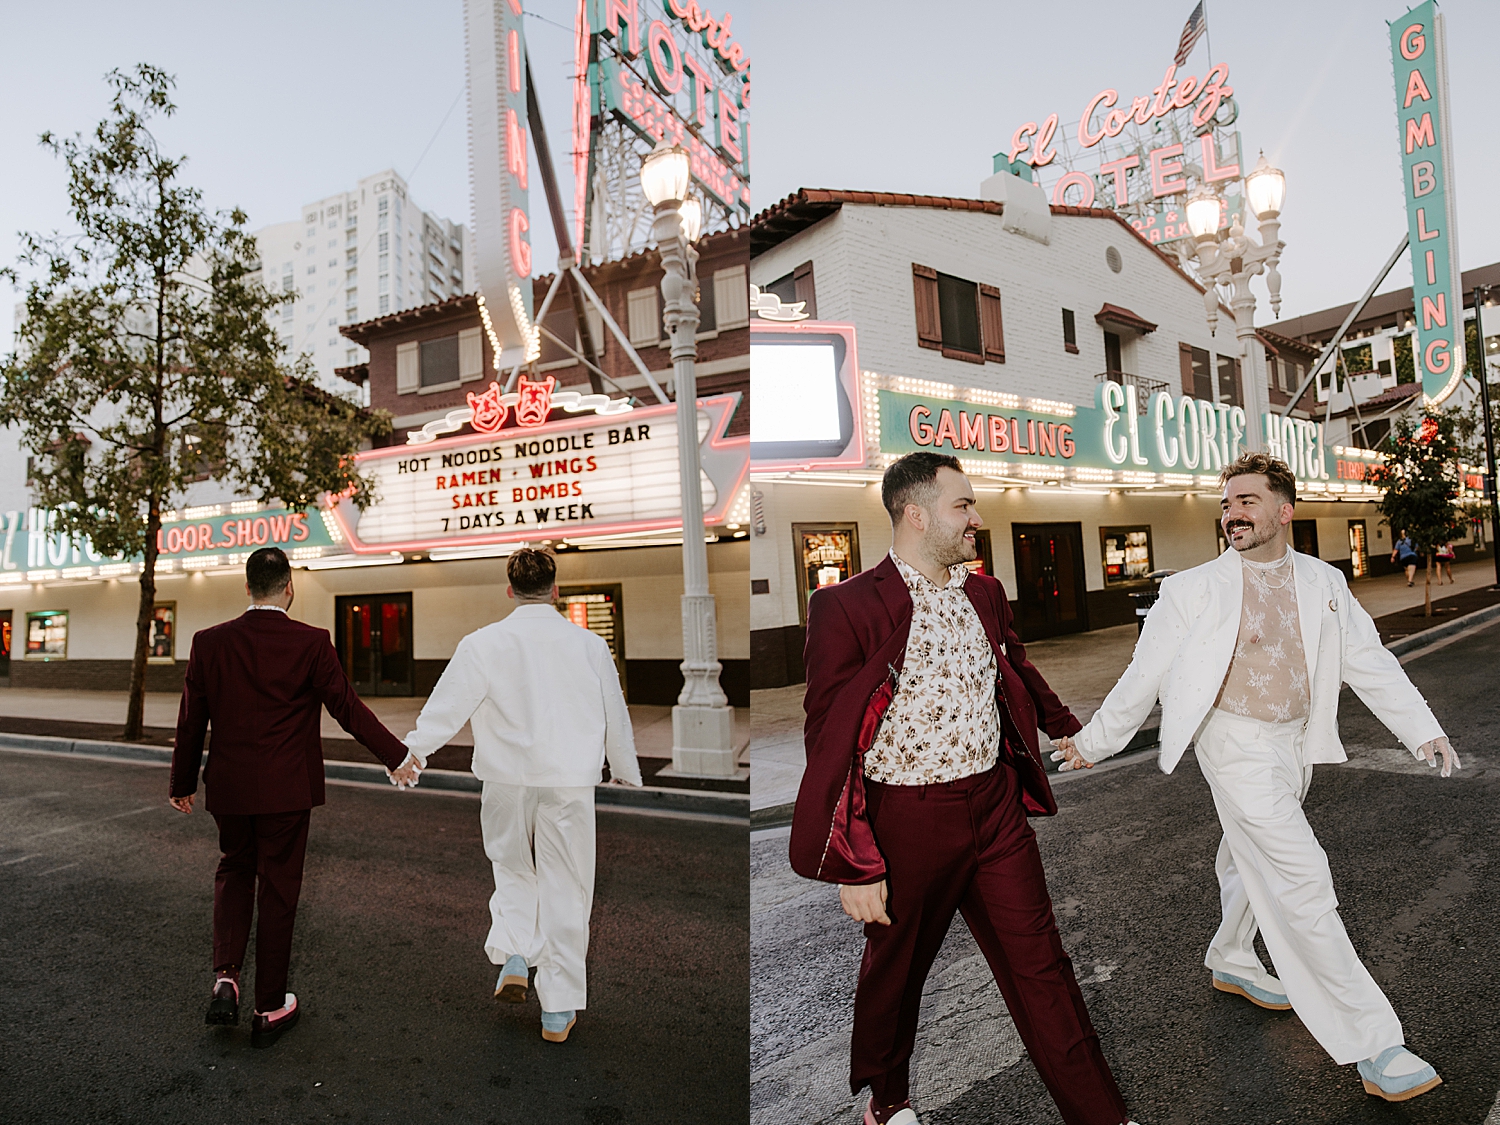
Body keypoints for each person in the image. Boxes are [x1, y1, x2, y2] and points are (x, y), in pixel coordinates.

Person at [1053, 453, 1459, 1104]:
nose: (1232, 513)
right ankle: (1375, 1043)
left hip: (1294, 740)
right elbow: (1145, 673)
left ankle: (1230, 953)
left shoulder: (1322, 581)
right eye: (1226, 503)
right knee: (1302, 875)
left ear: (1283, 510)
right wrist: (1096, 740)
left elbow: (1368, 660)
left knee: (1246, 856)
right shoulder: (1193, 591)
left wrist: (1422, 726)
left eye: (1246, 500)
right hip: (1235, 743)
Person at [790, 452, 1142, 1125]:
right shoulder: (845, 606)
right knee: (898, 974)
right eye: (964, 506)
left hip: (995, 806)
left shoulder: (985, 592)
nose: (977, 518)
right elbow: (826, 740)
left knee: (1044, 967)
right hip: (905, 819)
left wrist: (1063, 724)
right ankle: (888, 1102)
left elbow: (1014, 662)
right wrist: (853, 861)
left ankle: (1103, 1116)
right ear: (916, 513)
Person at [169, 546, 413, 1048]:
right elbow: (347, 707)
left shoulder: (208, 642)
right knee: (279, 888)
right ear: (289, 588)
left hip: (231, 788)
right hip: (286, 789)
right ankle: (268, 1006)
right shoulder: (312, 642)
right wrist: (395, 755)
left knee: (234, 869)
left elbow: (192, 716)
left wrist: (182, 782)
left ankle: (226, 976)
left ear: (247, 587)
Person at [397, 548, 641, 1044]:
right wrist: (623, 766)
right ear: (555, 590)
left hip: (505, 778)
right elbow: (613, 710)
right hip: (568, 780)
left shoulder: (482, 643)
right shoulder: (589, 645)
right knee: (567, 887)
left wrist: (411, 753)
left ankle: (513, 951)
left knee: (510, 866)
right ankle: (557, 1010)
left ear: (509, 590)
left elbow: (446, 707)